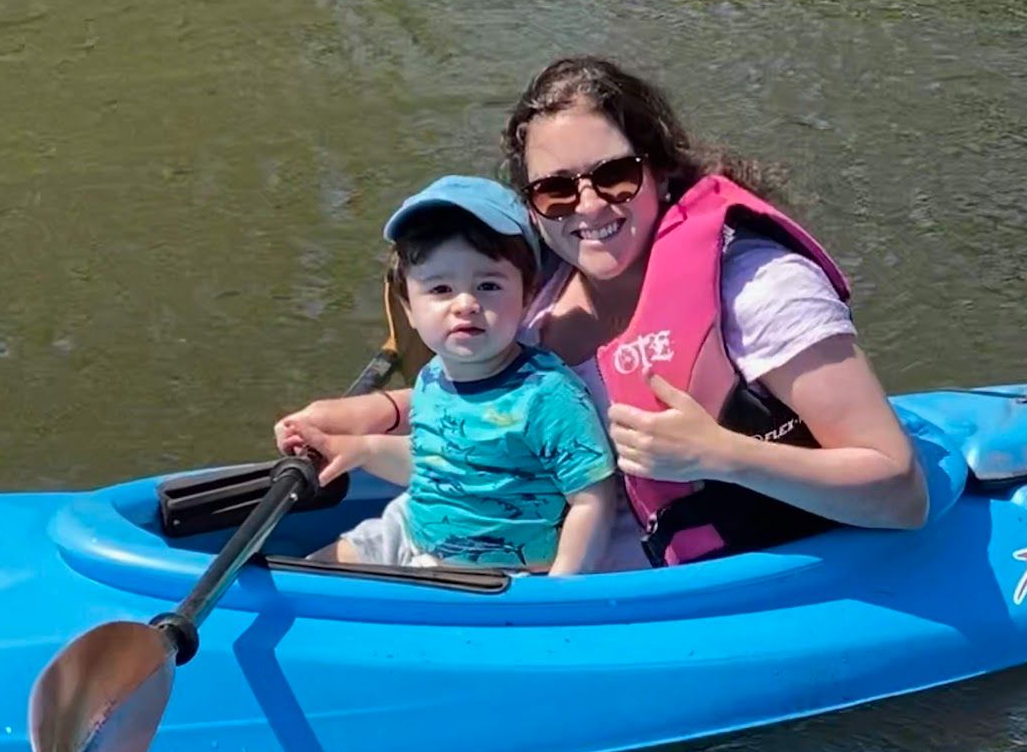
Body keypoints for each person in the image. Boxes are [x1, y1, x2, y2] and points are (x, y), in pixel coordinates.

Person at [277, 59, 928, 570]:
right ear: (532, 206)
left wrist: (721, 454)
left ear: (661, 171)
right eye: (556, 189)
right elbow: (506, 399)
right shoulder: (535, 289)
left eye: (614, 176)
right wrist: (379, 413)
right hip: (493, 524)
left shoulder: (757, 288)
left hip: (654, 576)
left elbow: (901, 493)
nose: (587, 206)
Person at [284, 175, 618, 576]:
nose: (465, 304)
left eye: (488, 285)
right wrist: (357, 450)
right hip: (413, 533)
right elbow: (436, 466)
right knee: (305, 575)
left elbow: (593, 499)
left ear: (527, 297)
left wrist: (561, 586)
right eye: (440, 289)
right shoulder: (431, 378)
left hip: (505, 575)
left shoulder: (548, 395)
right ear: (408, 308)